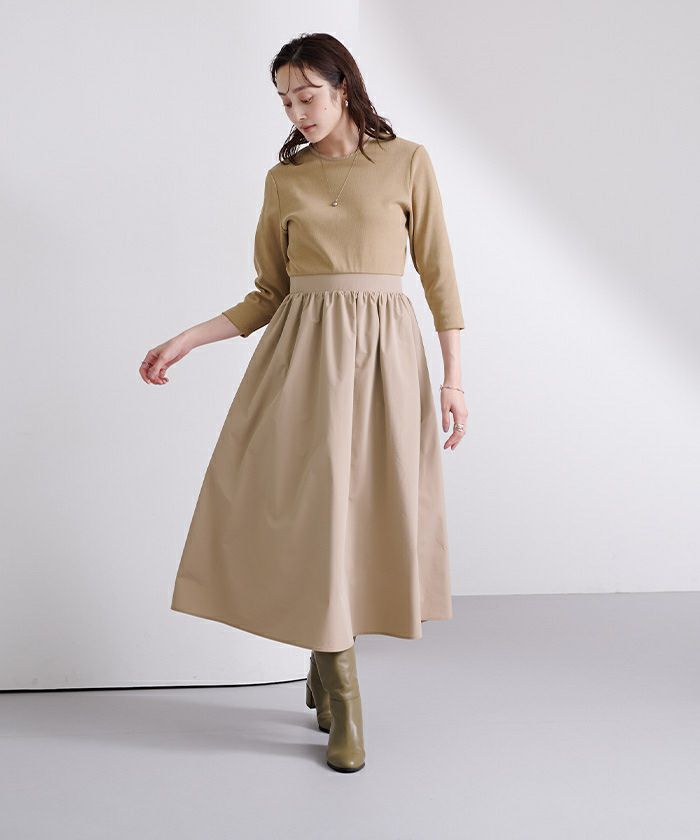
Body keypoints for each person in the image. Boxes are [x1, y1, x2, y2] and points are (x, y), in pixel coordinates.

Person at [139, 33, 468, 774]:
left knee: (366, 516)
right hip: (303, 364)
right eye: (285, 100)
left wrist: (453, 379)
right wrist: (189, 338)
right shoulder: (283, 180)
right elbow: (269, 293)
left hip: (386, 364)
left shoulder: (408, 161)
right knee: (314, 518)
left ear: (343, 87)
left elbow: (440, 278)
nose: (297, 111)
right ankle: (344, 696)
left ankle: (324, 669)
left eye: (308, 95)